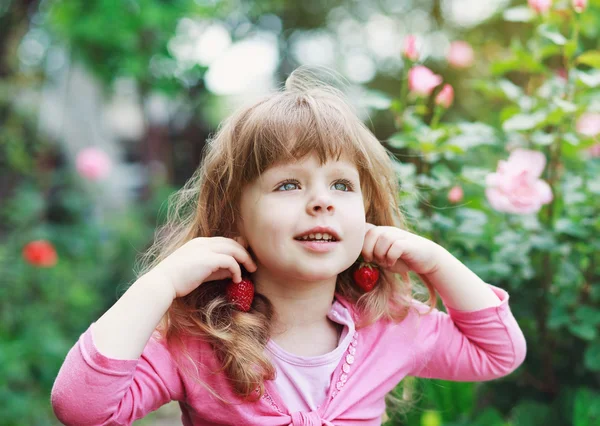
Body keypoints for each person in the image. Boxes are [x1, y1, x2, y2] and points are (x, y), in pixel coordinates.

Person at [51, 66, 527, 426]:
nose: (321, 201)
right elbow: (82, 408)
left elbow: (499, 353)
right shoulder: (199, 342)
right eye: (287, 186)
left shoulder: (390, 325)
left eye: (341, 185)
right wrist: (161, 284)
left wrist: (438, 263)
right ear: (233, 219)